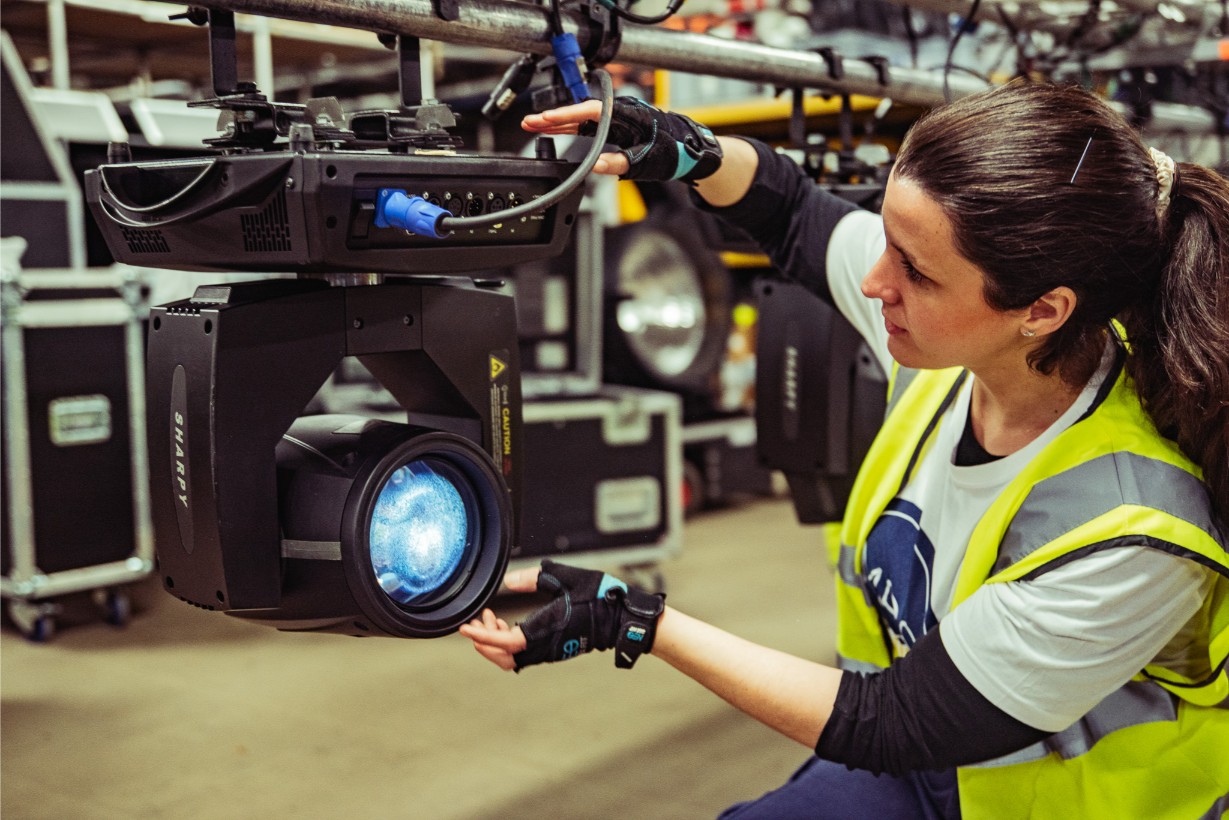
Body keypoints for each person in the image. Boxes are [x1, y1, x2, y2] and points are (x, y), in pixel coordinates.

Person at [459, 81, 1229, 819]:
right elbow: (793, 212)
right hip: (926, 772)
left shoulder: (1132, 525)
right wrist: (684, 151)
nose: (872, 280)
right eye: (890, 242)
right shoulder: (953, 350)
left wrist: (630, 619)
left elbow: (891, 722)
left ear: (1042, 310)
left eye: (914, 272)